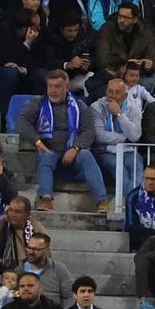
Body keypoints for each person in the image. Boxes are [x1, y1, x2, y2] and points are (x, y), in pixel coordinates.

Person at [16, 69, 109, 214]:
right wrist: (37, 142)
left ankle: (101, 201)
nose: (53, 90)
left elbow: (88, 131)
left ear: (67, 87)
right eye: (50, 86)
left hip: (74, 152)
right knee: (46, 158)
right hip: (49, 150)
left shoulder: (80, 106)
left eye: (58, 86)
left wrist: (76, 148)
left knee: (87, 156)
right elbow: (21, 122)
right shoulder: (38, 103)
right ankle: (46, 199)